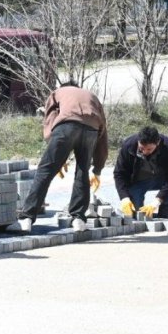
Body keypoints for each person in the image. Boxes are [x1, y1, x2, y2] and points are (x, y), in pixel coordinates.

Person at [15, 80, 109, 232]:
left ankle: (26, 218)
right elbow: (103, 133)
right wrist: (98, 168)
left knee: (45, 171)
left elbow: (50, 119)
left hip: (67, 126)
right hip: (92, 129)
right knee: (82, 172)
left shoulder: (58, 93)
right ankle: (78, 218)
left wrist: (56, 152)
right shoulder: (91, 97)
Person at [113, 126, 168, 219]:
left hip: (161, 179)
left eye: (149, 149)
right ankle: (135, 204)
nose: (145, 152)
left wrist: (158, 200)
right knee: (136, 213)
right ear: (138, 141)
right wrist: (124, 198)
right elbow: (119, 174)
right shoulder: (128, 145)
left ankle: (166, 207)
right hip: (138, 182)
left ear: (157, 143)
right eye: (141, 148)